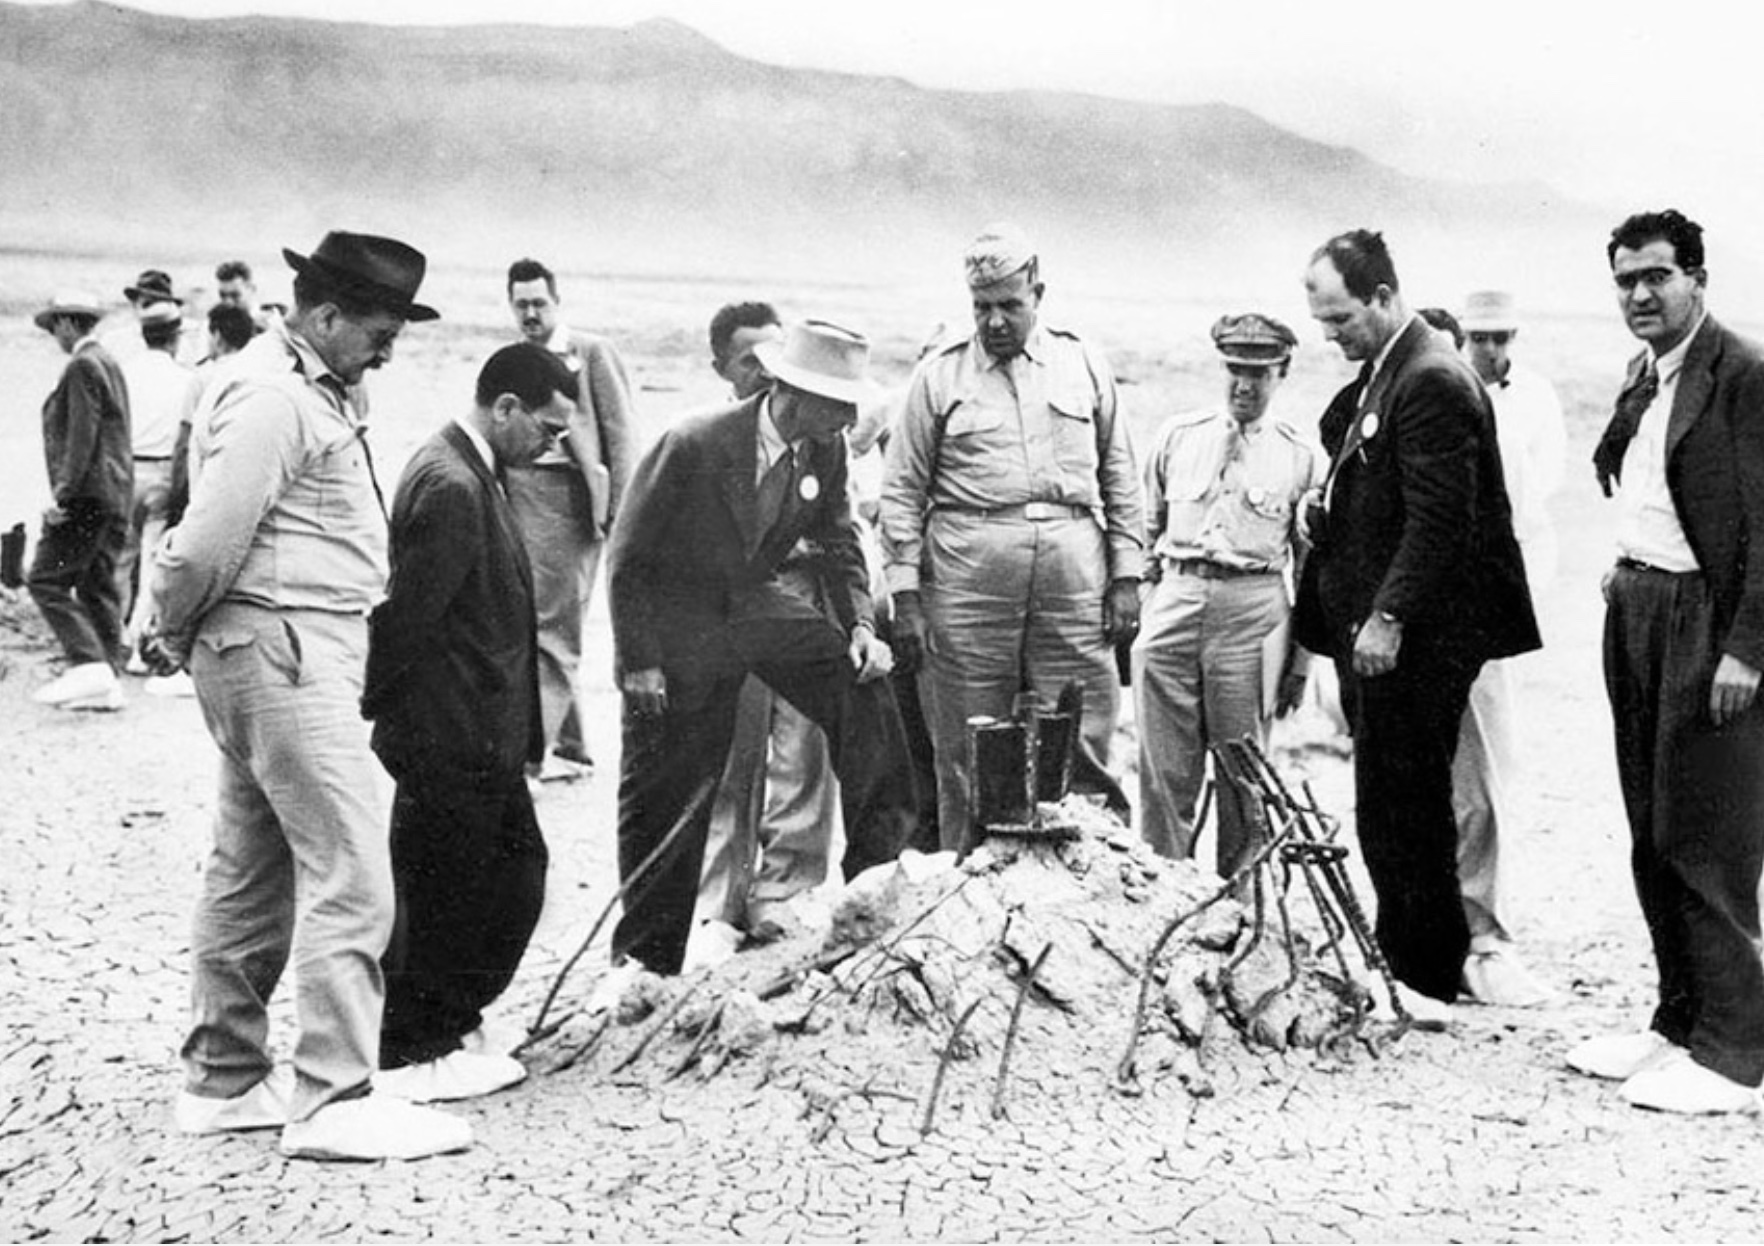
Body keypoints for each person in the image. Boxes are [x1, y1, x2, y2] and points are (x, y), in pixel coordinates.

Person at [145, 231, 471, 1160]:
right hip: (282, 649)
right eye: (378, 329)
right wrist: (173, 630)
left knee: (253, 867)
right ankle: (334, 1096)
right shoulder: (274, 397)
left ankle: (225, 1080)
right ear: (322, 316)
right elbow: (204, 543)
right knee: (353, 869)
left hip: (289, 650)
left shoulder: (317, 385)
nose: (389, 347)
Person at [606, 319, 918, 977]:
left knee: (862, 685)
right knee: (670, 786)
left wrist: (861, 625)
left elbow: (838, 541)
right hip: (679, 624)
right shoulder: (694, 441)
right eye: (837, 401)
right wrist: (640, 663)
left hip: (754, 605)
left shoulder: (824, 448)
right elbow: (629, 558)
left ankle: (872, 883)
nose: (847, 417)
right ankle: (641, 962)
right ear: (793, 391)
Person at [1294, 229, 1539, 1027]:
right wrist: (1321, 507)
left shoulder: (1431, 376)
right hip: (1377, 633)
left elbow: (1441, 522)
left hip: (1413, 637)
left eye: (1341, 321)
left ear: (1383, 297)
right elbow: (1369, 472)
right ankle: (1411, 958)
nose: (1333, 338)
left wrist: (1389, 615)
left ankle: (1422, 972)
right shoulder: (1390, 370)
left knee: (1406, 803)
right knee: (1392, 801)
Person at [1569, 209, 1764, 1114]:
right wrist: (1621, 582)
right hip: (1640, 604)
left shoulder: (1745, 375)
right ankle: (1677, 1022)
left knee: (1707, 836)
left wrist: (1747, 651)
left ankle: (1736, 1058)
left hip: (1708, 622)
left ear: (1698, 279)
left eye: (1657, 276)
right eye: (1625, 280)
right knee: (1650, 826)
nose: (1640, 294)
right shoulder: (1644, 372)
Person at [880, 222, 1145, 853]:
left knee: (1079, 730)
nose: (995, 322)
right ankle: (969, 884)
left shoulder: (1084, 364)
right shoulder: (938, 378)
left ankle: (1086, 881)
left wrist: (1128, 577)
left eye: (1009, 306)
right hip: (968, 582)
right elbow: (901, 493)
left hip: (1074, 578)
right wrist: (907, 598)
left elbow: (1120, 475)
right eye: (982, 308)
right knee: (971, 743)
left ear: (1038, 293)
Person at [362, 343, 580, 1102]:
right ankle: (416, 1049)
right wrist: (398, 726)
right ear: (507, 407)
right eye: (548, 429)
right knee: (448, 894)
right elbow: (406, 620)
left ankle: (443, 1026)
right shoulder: (453, 481)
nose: (554, 446)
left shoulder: (468, 468)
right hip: (450, 737)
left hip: (475, 734)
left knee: (505, 880)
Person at [1134, 314, 1317, 876]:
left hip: (1253, 610)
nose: (1245, 384)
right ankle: (1164, 892)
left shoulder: (1299, 456)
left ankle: (1238, 902)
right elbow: (1146, 533)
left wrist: (1301, 663)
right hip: (1178, 596)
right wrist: (1148, 608)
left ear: (1281, 373)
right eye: (1236, 370)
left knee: (1244, 770)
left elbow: (1311, 572)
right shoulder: (1178, 437)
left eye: (1259, 373)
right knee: (1163, 770)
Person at [693, 302, 842, 947]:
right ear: (723, 367)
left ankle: (788, 891)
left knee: (804, 751)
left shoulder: (819, 444)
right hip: (732, 607)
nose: (763, 373)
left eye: (773, 359)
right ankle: (715, 902)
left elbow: (841, 531)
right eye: (750, 360)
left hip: (803, 596)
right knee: (732, 751)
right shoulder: (708, 441)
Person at [1449, 289, 1567, 1008]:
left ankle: (1485, 937)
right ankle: (1438, 933)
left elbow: (1532, 509)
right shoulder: (1442, 391)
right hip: (1434, 604)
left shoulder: (1534, 403)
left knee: (1486, 777)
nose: (1491, 349)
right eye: (1478, 336)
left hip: (1489, 606)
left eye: (1502, 336)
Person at [504, 258, 637, 781]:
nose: (531, 313)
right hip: (518, 494)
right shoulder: (513, 359)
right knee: (529, 620)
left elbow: (623, 435)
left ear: (556, 302)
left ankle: (530, 757)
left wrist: (623, 515)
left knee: (553, 628)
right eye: (521, 305)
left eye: (539, 303)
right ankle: (570, 745)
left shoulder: (591, 353)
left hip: (570, 501)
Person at [26, 292, 133, 712]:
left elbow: (81, 437)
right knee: (97, 583)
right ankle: (107, 676)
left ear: (68, 324)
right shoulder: (108, 362)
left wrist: (63, 496)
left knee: (45, 579)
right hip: (114, 492)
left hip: (87, 494)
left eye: (55, 327)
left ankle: (89, 665)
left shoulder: (81, 366)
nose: (55, 335)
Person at [116, 301, 193, 672]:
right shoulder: (183, 378)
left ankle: (113, 636)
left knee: (121, 558)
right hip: (162, 470)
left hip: (128, 468)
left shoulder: (126, 373)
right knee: (151, 561)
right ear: (174, 337)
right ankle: (137, 645)